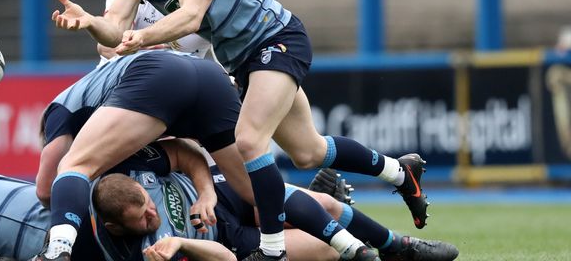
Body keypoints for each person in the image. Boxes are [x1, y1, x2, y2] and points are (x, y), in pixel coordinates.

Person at [50, 0, 429, 260]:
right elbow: (114, 28)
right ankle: (399, 173)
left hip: (275, 38)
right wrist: (90, 23)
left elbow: (191, 14)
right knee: (308, 151)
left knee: (249, 142)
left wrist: (142, 37)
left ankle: (272, 250)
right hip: (242, 61)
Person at [34, 50, 379, 260]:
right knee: (307, 207)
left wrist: (207, 192)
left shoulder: (60, 116)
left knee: (73, 167)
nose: (151, 215)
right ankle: (390, 243)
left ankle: (58, 252)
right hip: (206, 75)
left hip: (169, 86)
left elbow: (47, 189)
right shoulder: (119, 136)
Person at [92, 140, 459, 261]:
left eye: (148, 202)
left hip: (224, 191)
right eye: (142, 219)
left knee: (325, 206)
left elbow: (185, 153)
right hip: (230, 241)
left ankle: (400, 246)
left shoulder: (136, 171)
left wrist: (204, 191)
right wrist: (182, 241)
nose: (152, 214)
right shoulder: (144, 252)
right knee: (329, 250)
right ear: (115, 227)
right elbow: (227, 259)